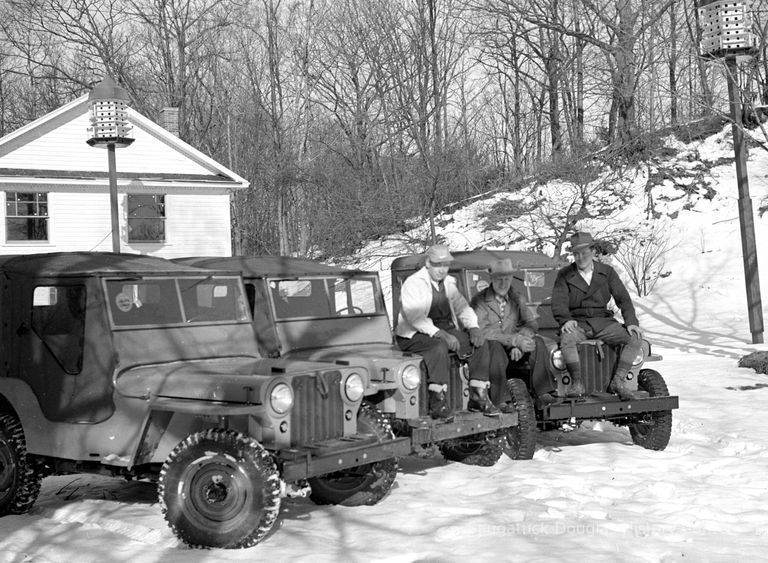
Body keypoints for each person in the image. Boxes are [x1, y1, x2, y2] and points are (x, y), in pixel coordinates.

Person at [395, 244, 499, 419]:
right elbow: (415, 317)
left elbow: (462, 307)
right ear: (428, 263)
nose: (442, 270)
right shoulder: (413, 283)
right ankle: (437, 401)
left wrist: (473, 327)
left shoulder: (449, 283)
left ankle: (478, 395)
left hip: (444, 329)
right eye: (437, 265)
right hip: (413, 334)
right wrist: (441, 334)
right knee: (438, 347)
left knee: (481, 344)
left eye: (445, 265)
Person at [551, 232, 649, 400]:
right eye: (576, 254)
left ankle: (618, 381)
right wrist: (566, 320)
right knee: (567, 339)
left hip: (603, 322)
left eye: (584, 252)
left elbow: (623, 299)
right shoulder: (565, 275)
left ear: (593, 251)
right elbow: (559, 302)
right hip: (578, 322)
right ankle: (577, 383)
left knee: (635, 338)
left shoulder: (607, 272)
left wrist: (631, 322)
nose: (581, 257)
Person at [472, 258, 558, 408]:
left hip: (515, 347)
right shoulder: (480, 301)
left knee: (537, 342)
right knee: (494, 348)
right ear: (492, 279)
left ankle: (543, 392)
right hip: (495, 350)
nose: (503, 283)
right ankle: (500, 400)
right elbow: (482, 331)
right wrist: (513, 341)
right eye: (499, 279)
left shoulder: (517, 299)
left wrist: (522, 340)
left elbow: (531, 323)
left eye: (507, 278)